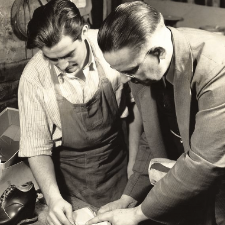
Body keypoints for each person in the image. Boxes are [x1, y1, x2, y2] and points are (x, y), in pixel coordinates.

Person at [86, 1, 225, 225]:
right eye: (119, 71)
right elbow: (152, 136)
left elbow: (203, 164)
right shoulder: (142, 67)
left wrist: (137, 214)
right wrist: (128, 198)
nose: (124, 80)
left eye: (129, 71)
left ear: (158, 53)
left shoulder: (218, 67)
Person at [17, 0, 139, 224]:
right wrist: (54, 199)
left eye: (69, 54)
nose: (63, 65)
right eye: (52, 59)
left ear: (83, 32)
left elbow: (134, 111)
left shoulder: (109, 50)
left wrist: (134, 170)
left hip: (118, 170)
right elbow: (37, 148)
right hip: (70, 184)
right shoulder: (34, 78)